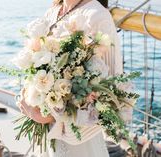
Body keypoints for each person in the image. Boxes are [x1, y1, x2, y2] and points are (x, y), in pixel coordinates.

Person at [18, 0, 123, 156]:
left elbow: (113, 96)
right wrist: (30, 96)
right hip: (47, 141)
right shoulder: (53, 11)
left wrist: (50, 118)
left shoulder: (97, 16)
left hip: (80, 146)